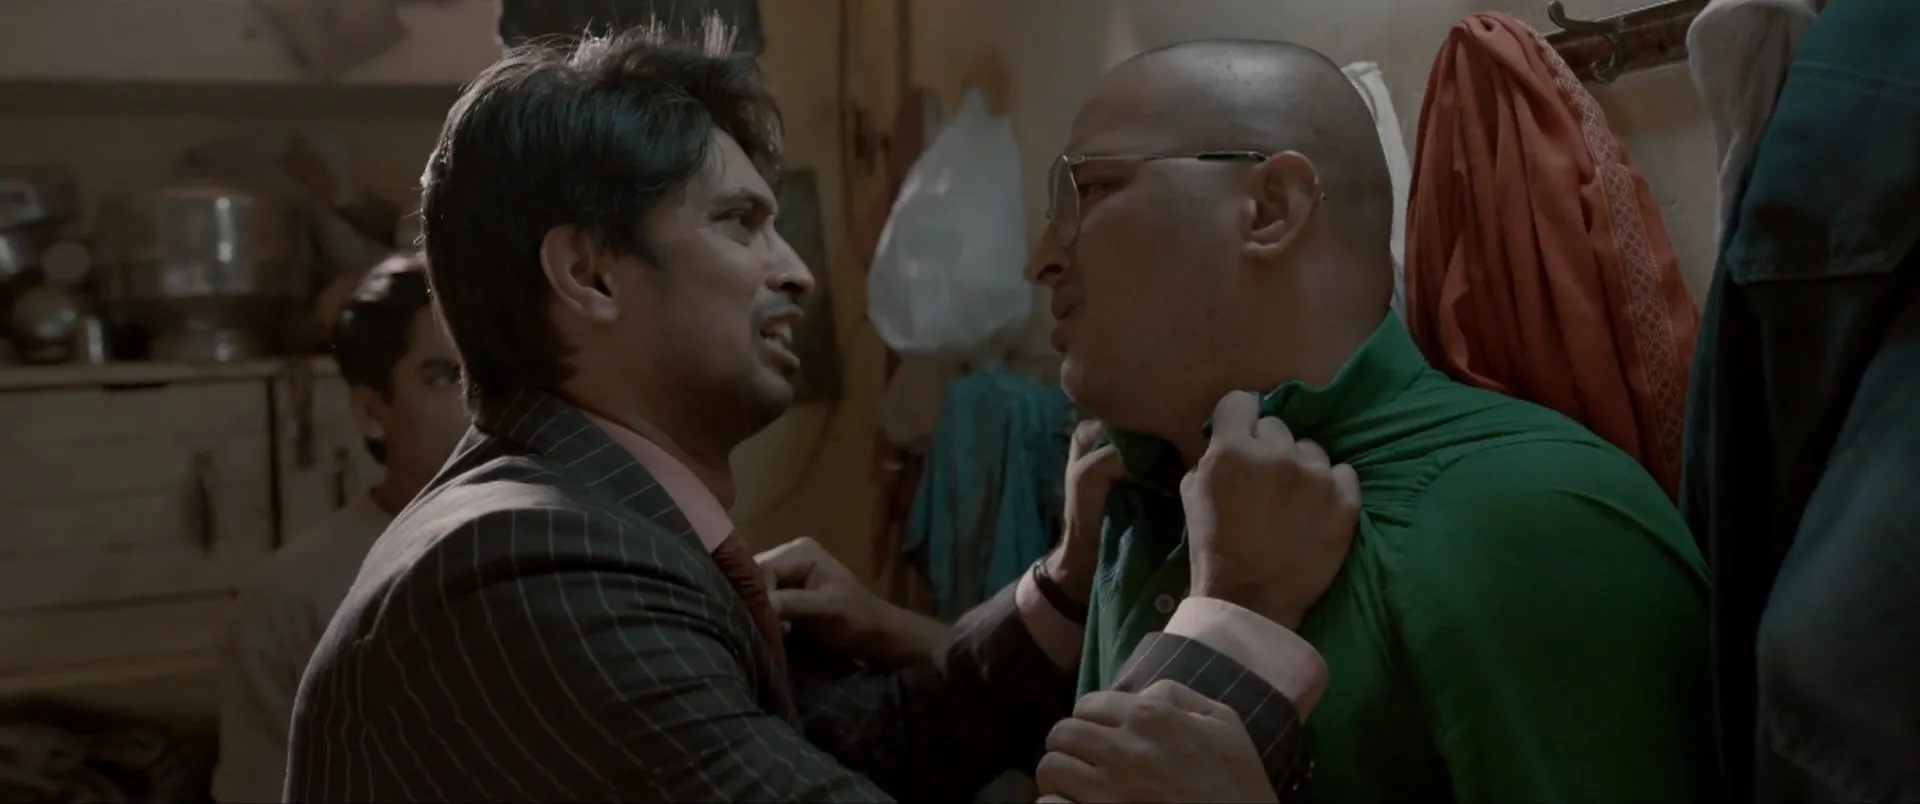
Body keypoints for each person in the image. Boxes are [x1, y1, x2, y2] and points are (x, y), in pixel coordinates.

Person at [284, 21, 1358, 803]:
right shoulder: (530, 571)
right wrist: (1239, 618)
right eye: (739, 223)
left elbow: (871, 748)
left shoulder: (583, 522)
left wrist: (1066, 586)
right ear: (590, 274)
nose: (795, 271)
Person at [1027, 39, 1720, 802]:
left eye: (1091, 189)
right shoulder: (1140, 501)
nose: (1041, 260)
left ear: (1270, 208)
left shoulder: (1532, 521)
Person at [212, 252, 466, 803]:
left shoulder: (594, 550)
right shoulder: (296, 597)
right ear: (372, 410)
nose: (488, 404)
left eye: (506, 372)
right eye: (449, 376)